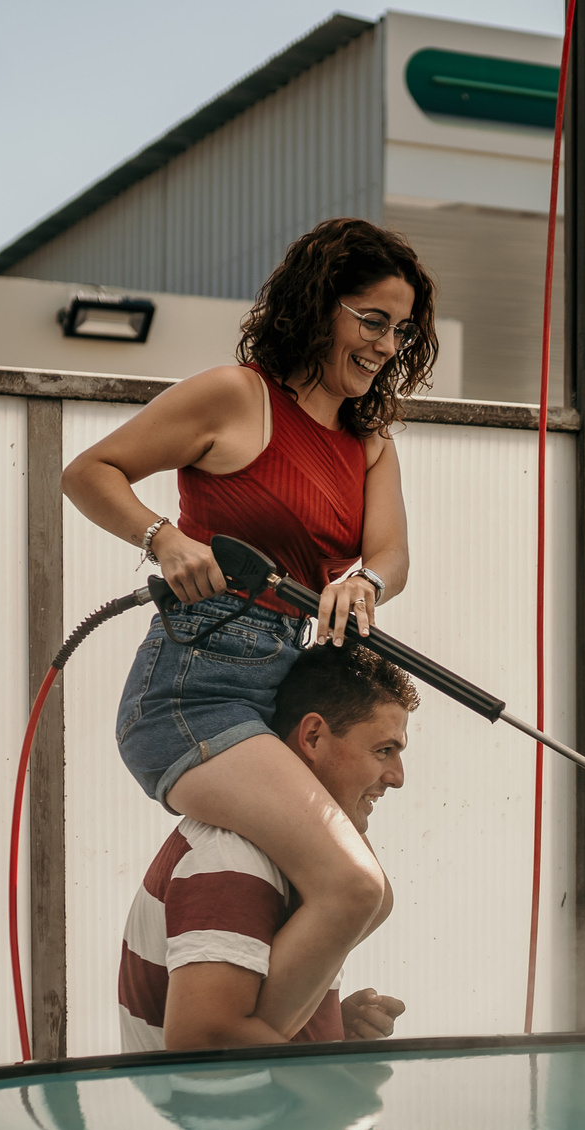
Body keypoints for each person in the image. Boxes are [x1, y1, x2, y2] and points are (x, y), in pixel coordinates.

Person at [65, 216, 436, 1043]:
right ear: (317, 304)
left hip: (275, 680)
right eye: (370, 319)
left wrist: (364, 580)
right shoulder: (237, 397)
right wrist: (163, 537)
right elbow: (87, 472)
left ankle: (265, 1042)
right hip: (191, 687)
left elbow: (392, 553)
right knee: (352, 886)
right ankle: (227, 1062)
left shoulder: (367, 442)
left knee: (351, 892)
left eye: (400, 329)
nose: (384, 345)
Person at [118, 644, 418, 1052]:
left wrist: (325, 1028)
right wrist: (334, 1087)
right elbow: (205, 1041)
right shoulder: (235, 855)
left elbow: (241, 1033)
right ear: (313, 736)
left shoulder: (287, 859)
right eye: (384, 750)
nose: (397, 777)